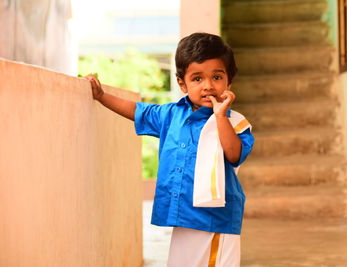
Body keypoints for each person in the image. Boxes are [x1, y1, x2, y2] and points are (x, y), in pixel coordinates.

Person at [85, 32, 255, 267]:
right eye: (197, 79)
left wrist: (220, 116)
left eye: (217, 77)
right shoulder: (171, 115)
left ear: (229, 82)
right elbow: (137, 111)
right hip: (183, 216)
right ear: (182, 83)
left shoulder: (235, 121)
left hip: (215, 221)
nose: (208, 86)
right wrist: (102, 97)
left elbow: (234, 154)